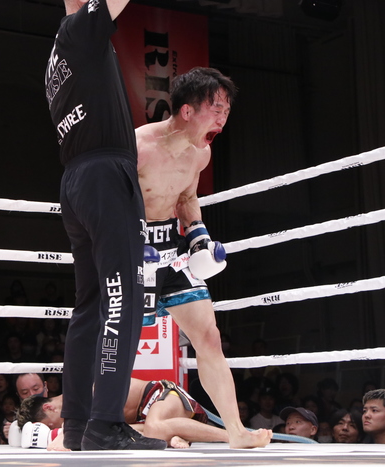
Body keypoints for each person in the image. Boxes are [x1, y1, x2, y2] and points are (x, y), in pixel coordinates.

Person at [45, 0, 163, 451]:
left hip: (77, 179)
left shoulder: (58, 55)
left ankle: (77, 424)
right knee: (123, 297)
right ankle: (105, 423)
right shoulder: (79, 30)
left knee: (91, 304)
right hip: (103, 177)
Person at [134, 66, 272, 449]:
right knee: (117, 341)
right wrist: (126, 245)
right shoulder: (137, 147)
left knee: (209, 337)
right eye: (216, 109)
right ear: (187, 110)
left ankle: (236, 432)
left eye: (226, 110)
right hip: (130, 251)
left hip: (170, 252)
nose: (223, 118)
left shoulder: (201, 153)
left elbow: (186, 197)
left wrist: (198, 236)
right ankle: (81, 425)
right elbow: (104, 202)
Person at [18, 378, 230, 449]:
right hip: (150, 416)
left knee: (154, 429)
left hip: (162, 395)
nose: (56, 428)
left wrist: (66, 435)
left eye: (52, 425)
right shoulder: (78, 408)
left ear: (48, 408)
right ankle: (174, 434)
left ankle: (231, 436)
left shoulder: (85, 394)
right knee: (143, 431)